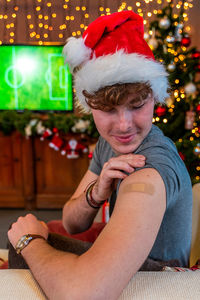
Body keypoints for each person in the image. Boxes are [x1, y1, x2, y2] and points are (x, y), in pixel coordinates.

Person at [8, 11, 192, 300]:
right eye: (108, 110)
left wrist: (28, 241)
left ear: (154, 98)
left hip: (156, 281)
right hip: (124, 267)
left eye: (137, 105)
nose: (123, 125)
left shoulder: (151, 169)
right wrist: (97, 192)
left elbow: (83, 295)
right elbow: (72, 222)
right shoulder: (112, 144)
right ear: (90, 106)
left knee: (22, 239)